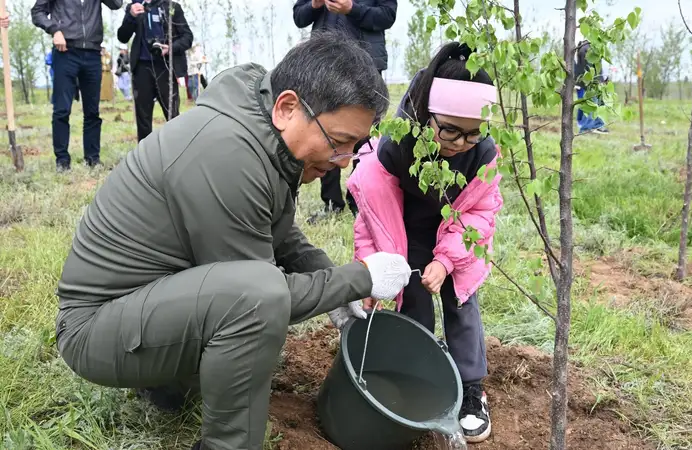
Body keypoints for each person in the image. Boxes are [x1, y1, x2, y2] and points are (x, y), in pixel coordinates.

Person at [54, 31, 410, 450]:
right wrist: (358, 278)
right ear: (287, 108)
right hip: (95, 329)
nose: (343, 162)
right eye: (338, 143)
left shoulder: (258, 124)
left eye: (354, 147)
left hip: (142, 305)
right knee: (257, 299)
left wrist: (329, 278)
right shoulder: (228, 154)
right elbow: (262, 297)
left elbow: (273, 229)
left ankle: (167, 384)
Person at [347, 42, 503, 444]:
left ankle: (470, 388)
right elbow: (373, 215)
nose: (461, 143)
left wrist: (447, 260)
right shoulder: (396, 147)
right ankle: (418, 374)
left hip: (458, 234)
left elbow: (479, 214)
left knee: (461, 303)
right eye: (450, 130)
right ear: (426, 114)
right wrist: (371, 272)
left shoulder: (483, 155)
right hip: (405, 231)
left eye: (474, 133)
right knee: (411, 298)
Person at [293, 0, 398, 222]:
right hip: (324, 64)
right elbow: (299, 16)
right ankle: (332, 204)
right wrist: (315, 5)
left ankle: (360, 202)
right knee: (325, 131)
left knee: (365, 138)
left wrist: (352, 9)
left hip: (366, 65)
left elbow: (387, 16)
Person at [31, 0, 123, 172]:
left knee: (92, 112)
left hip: (93, 52)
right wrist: (54, 29)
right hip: (65, 51)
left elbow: (116, 4)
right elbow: (37, 12)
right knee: (62, 110)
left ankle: (93, 159)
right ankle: (62, 162)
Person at [117, 0, 194, 142]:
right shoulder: (134, 7)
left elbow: (187, 37)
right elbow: (122, 37)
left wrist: (170, 48)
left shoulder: (171, 7)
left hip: (165, 67)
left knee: (172, 115)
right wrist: (131, 16)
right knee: (143, 118)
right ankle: (144, 153)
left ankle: (177, 150)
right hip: (142, 67)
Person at [575, 40, 609, 134]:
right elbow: (587, 68)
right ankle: (586, 128)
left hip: (598, 81)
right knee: (590, 105)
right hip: (590, 83)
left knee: (598, 104)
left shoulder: (595, 48)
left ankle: (597, 125)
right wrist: (593, 82)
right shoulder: (586, 48)